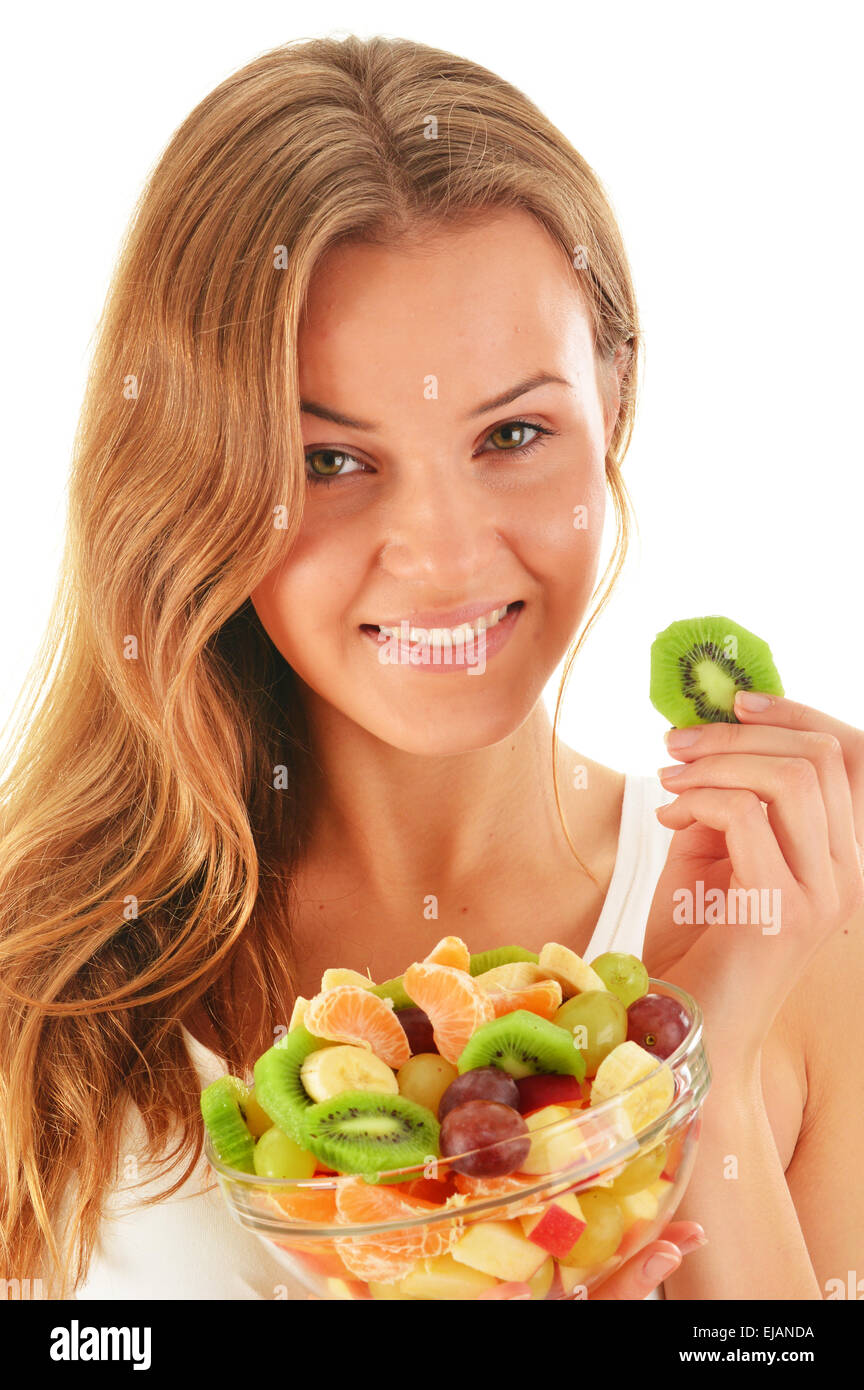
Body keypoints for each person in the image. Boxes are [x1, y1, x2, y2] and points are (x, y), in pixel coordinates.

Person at [2, 34, 862, 1303]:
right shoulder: (41, 983)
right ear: (200, 474)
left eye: (513, 432)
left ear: (612, 406)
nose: (449, 558)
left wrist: (695, 1077)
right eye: (329, 461)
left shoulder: (805, 935)